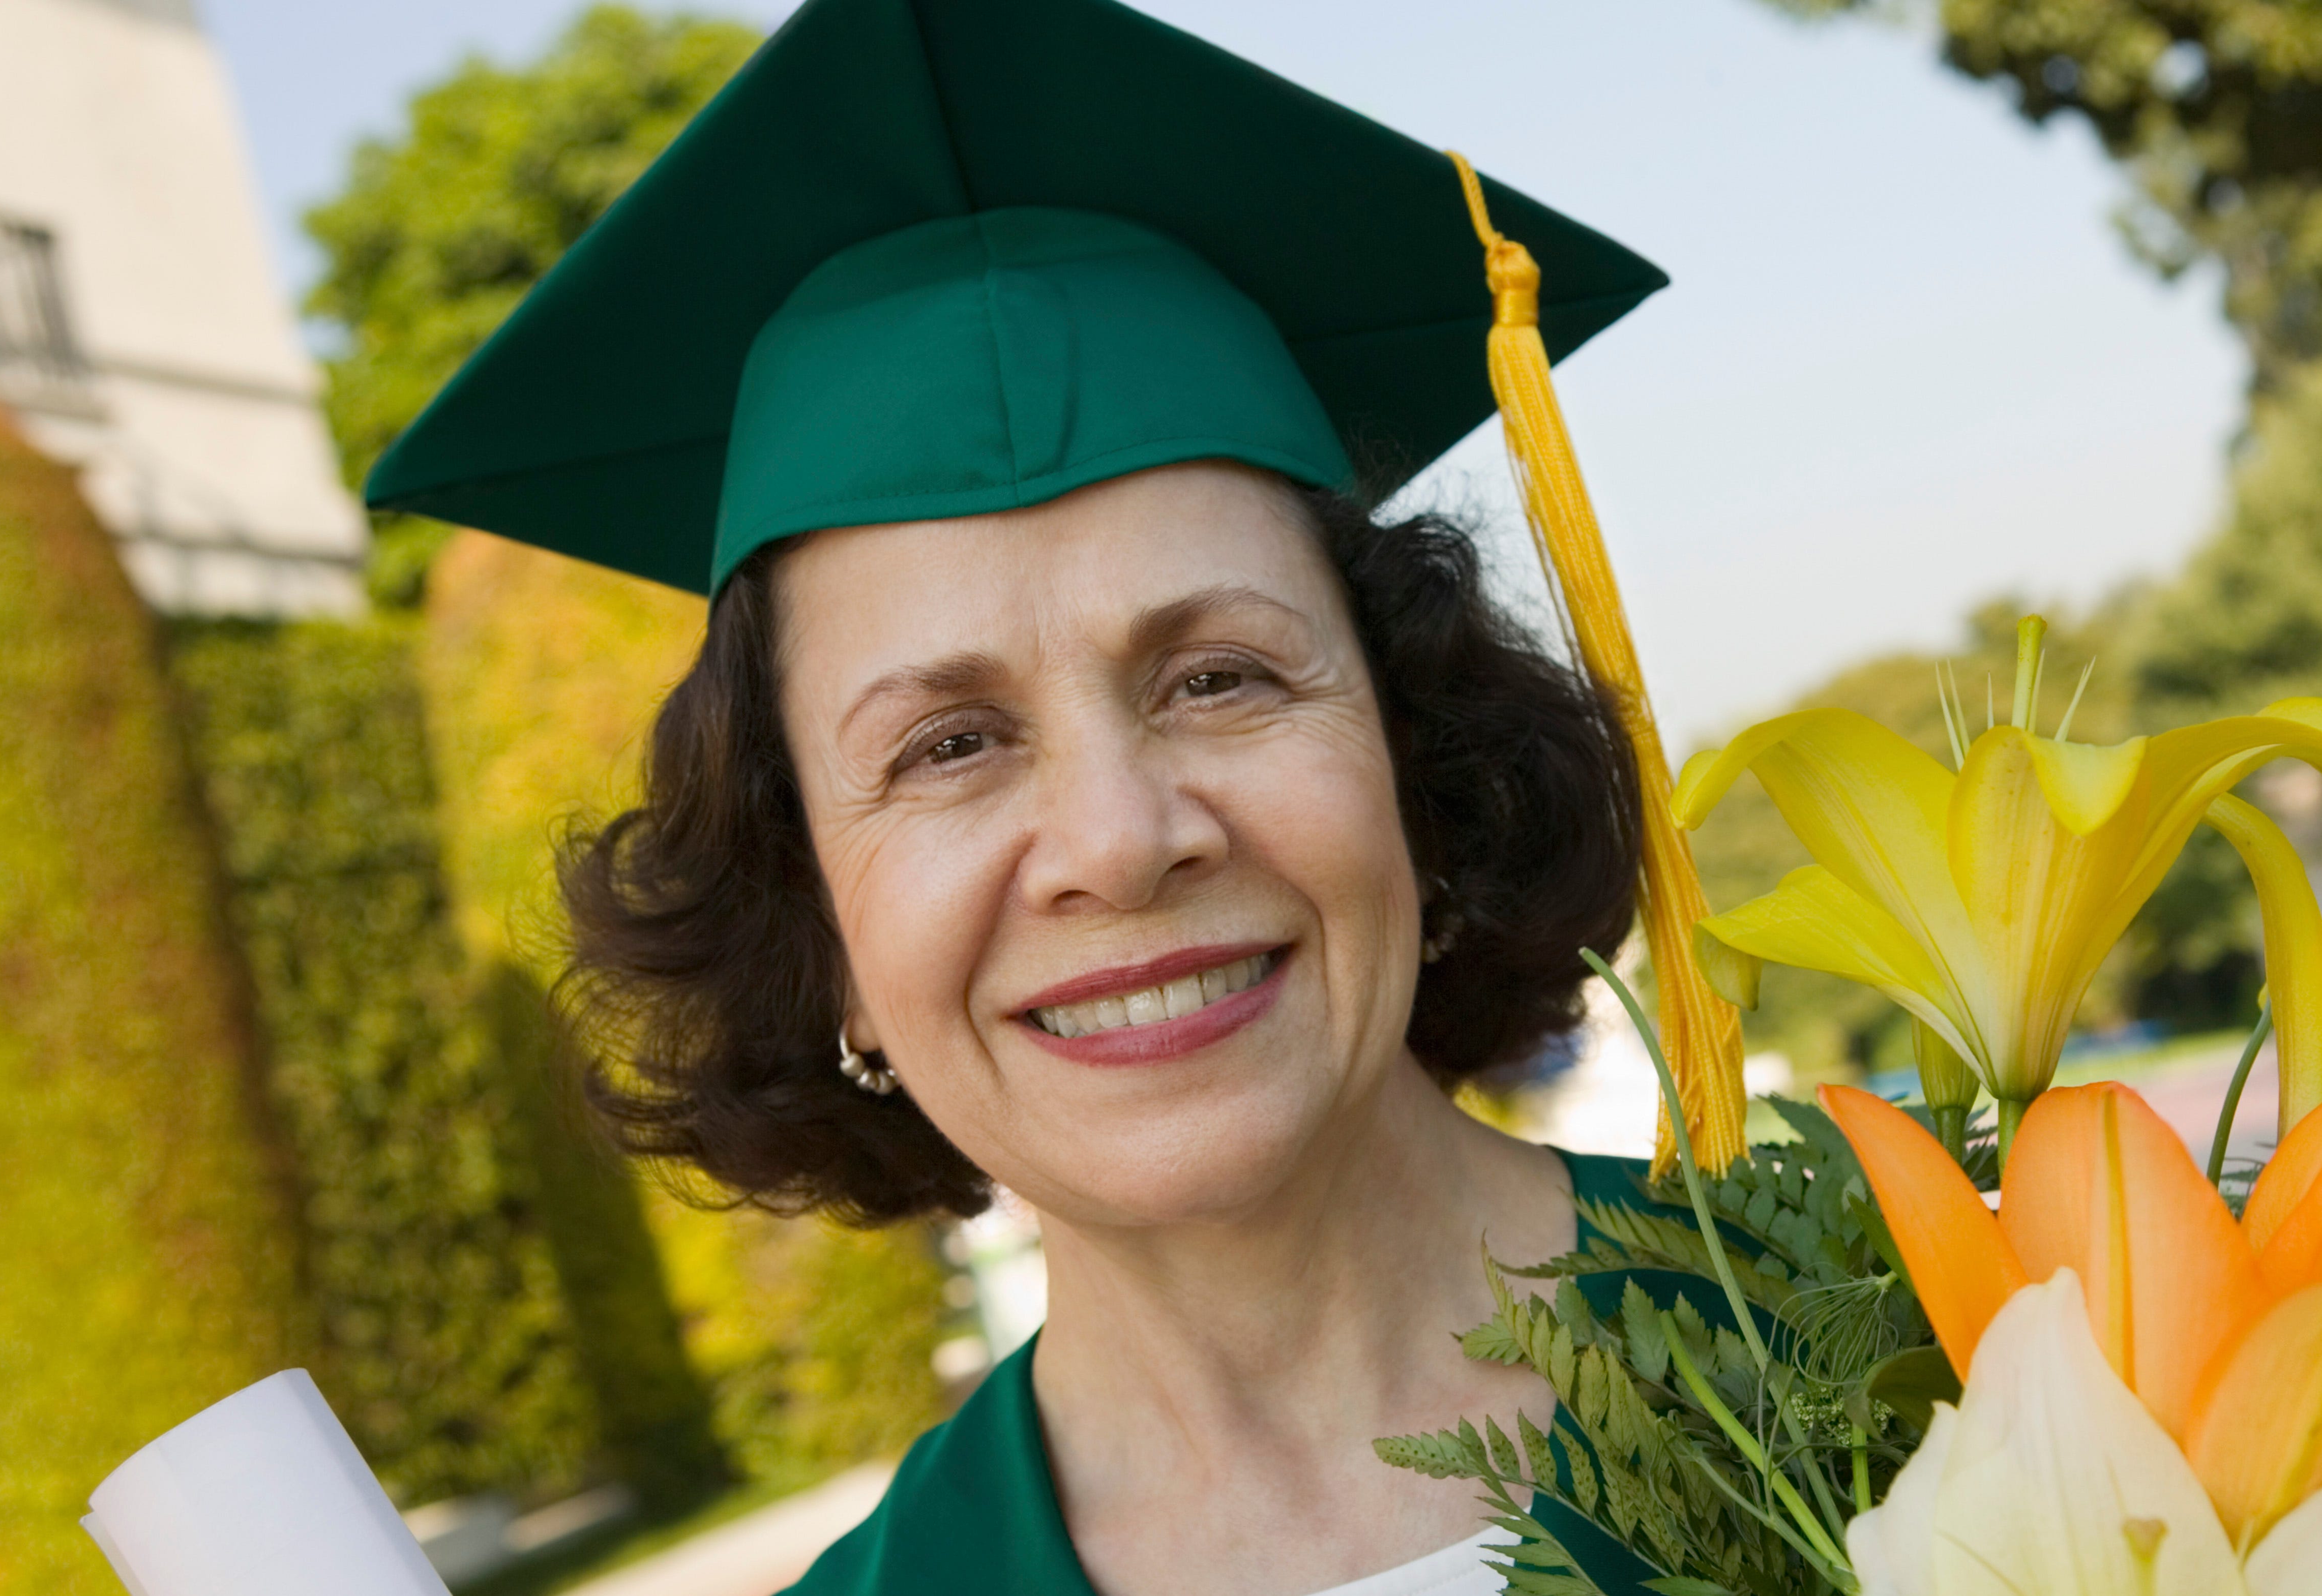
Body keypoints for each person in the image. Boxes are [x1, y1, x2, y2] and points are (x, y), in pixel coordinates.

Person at [366, 1, 1706, 1591]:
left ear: (1420, 766)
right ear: (820, 923)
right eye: (946, 745)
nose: (1122, 843)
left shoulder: (1966, 1334)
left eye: (1219, 676)